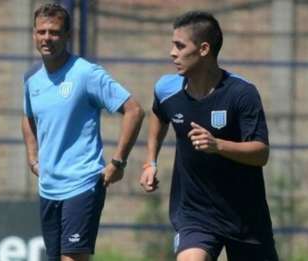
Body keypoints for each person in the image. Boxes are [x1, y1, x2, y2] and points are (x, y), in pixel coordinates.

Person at [139, 11, 278, 261]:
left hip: (245, 218)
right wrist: (151, 161)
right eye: (173, 45)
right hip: (195, 214)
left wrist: (218, 145)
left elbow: (261, 153)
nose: (172, 53)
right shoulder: (167, 89)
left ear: (204, 49)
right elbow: (159, 114)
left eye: (180, 46)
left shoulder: (241, 94)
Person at [21, 3, 144, 261]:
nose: (47, 38)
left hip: (82, 182)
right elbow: (28, 116)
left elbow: (134, 111)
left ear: (67, 35)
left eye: (54, 32)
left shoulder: (86, 73)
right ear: (34, 34)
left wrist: (118, 162)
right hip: (48, 187)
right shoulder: (32, 79)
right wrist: (33, 158)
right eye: (41, 32)